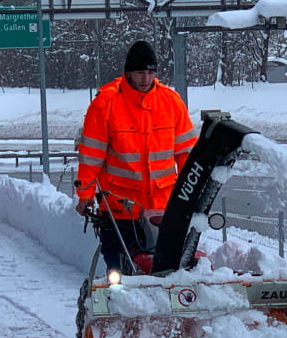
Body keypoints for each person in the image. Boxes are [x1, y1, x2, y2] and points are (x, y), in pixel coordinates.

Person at [75, 40, 198, 271]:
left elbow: (186, 153)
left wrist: (192, 192)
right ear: (128, 73)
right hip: (119, 207)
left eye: (151, 72)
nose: (146, 78)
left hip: (163, 207)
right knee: (119, 270)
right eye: (140, 72)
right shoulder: (106, 104)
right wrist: (85, 194)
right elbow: (91, 156)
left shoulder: (171, 103)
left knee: (169, 271)